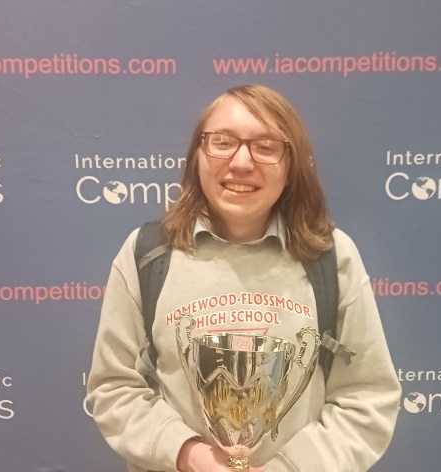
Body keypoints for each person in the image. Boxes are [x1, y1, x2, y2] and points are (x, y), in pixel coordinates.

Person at [87, 84, 401, 472]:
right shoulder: (147, 253)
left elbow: (366, 398)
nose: (241, 162)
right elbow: (113, 389)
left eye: (265, 146)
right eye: (222, 142)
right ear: (197, 157)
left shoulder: (331, 257)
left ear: (291, 166)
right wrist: (190, 456)